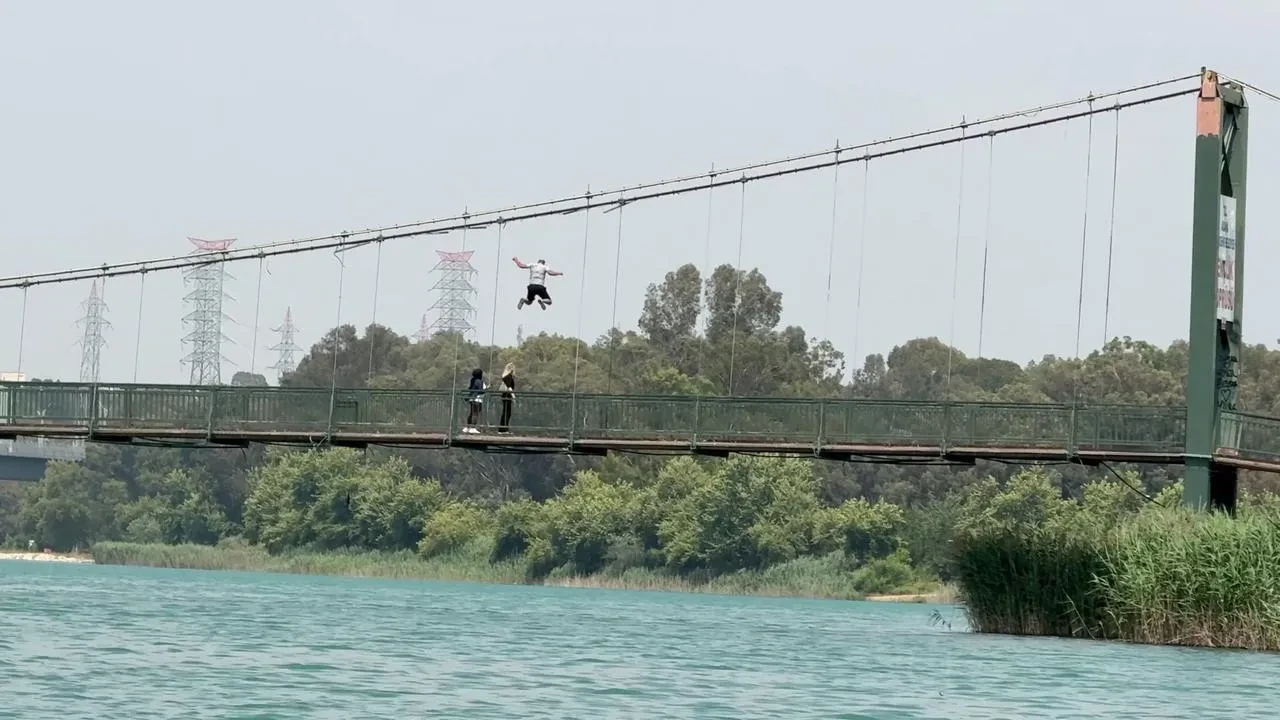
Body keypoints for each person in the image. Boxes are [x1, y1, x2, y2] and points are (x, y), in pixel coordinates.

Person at [463, 368, 486, 434]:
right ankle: (473, 428)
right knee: (475, 414)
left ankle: (467, 427)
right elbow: (481, 391)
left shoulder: (473, 380)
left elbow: (471, 388)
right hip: (477, 399)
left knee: (471, 413)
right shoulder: (480, 381)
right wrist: (486, 389)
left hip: (472, 398)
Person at [498, 363, 516, 434]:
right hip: (507, 396)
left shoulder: (506, 376)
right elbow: (509, 387)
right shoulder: (508, 377)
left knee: (506, 412)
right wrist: (513, 396)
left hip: (505, 395)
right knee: (506, 412)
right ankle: (503, 429)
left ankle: (503, 429)